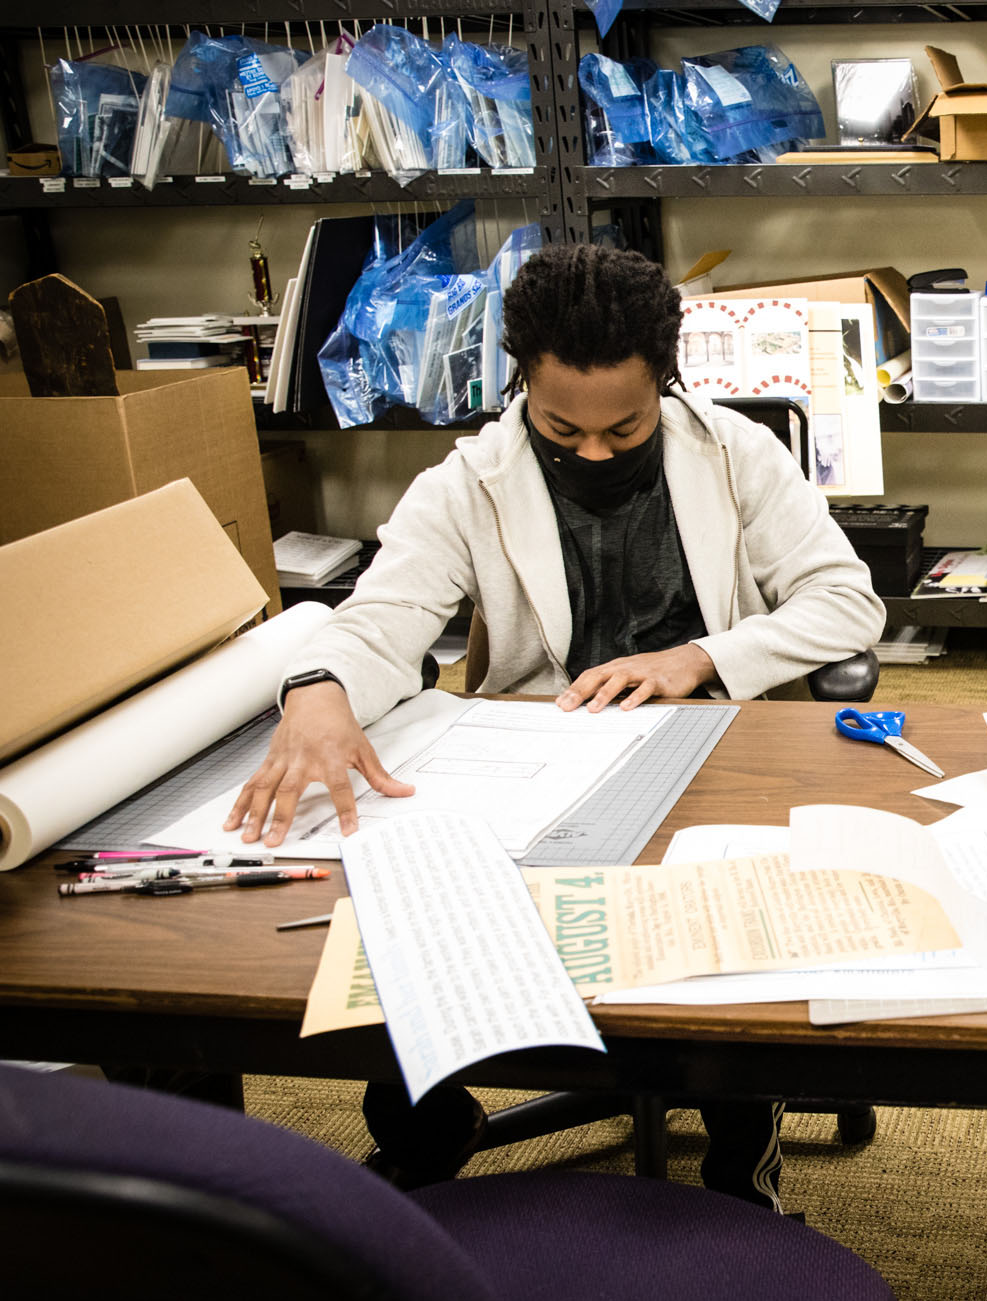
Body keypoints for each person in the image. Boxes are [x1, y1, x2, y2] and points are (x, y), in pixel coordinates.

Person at [226, 242, 886, 1209]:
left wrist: (700, 657)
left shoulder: (737, 454)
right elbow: (384, 619)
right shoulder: (467, 479)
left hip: (708, 738)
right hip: (530, 751)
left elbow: (845, 602)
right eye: (559, 427)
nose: (591, 453)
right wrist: (319, 686)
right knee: (413, 914)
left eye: (624, 429)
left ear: (665, 382)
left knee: (726, 931)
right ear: (520, 387)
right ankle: (429, 1134)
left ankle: (741, 1167)